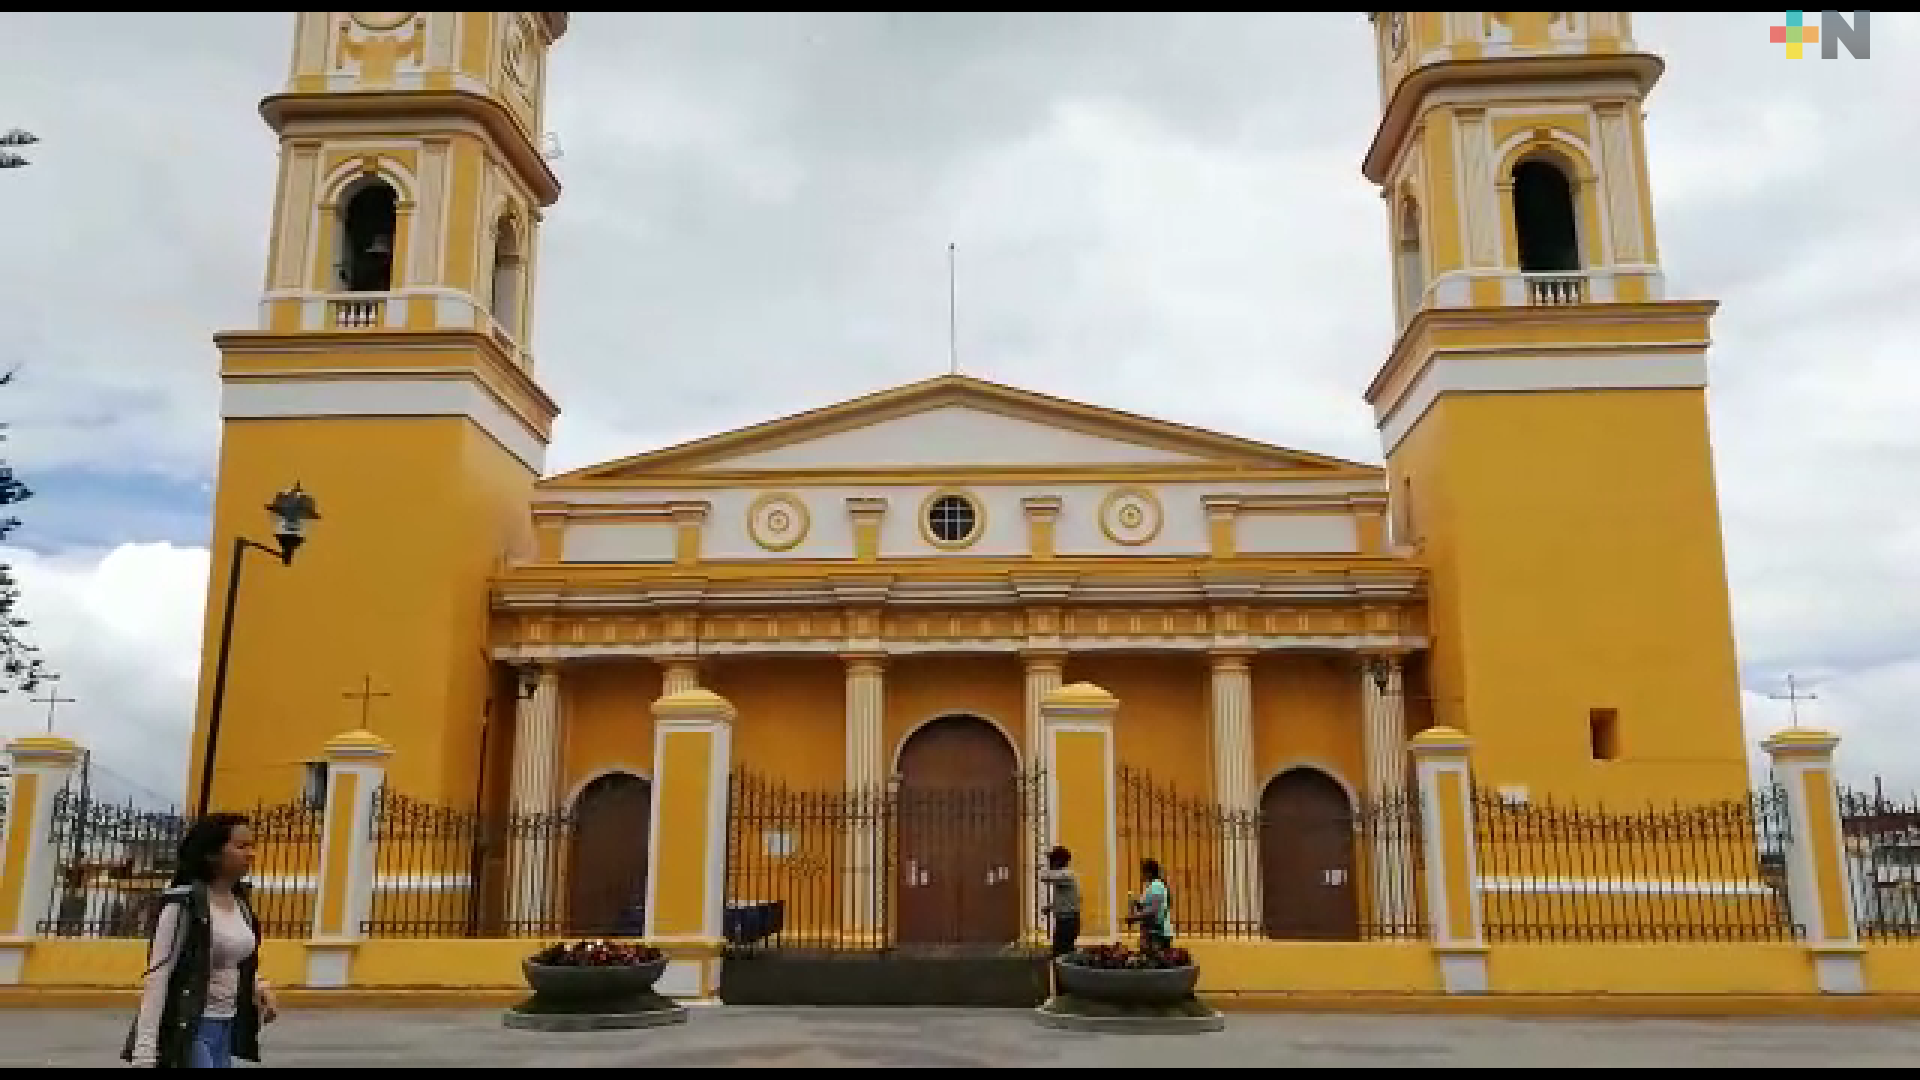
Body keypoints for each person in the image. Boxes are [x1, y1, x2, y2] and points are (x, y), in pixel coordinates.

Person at [123, 813, 278, 1068]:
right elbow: (159, 976)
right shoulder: (183, 905)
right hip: (191, 1029)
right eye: (241, 846)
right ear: (212, 854)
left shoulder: (241, 905)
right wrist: (144, 1054)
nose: (250, 854)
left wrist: (259, 986)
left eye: (252, 846)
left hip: (226, 1026)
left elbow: (238, 960)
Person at [1038, 846, 1081, 958]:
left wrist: (1045, 860)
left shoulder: (1066, 875)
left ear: (1057, 861)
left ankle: (1063, 974)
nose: (1051, 864)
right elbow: (1066, 898)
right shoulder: (1065, 875)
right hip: (1067, 920)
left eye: (1052, 860)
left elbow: (1044, 876)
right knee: (1063, 953)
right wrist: (1051, 907)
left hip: (1067, 922)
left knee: (1060, 954)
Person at [1125, 857, 1175, 952]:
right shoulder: (1154, 886)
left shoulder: (1156, 885)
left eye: (1142, 872)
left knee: (1153, 963)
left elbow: (1153, 910)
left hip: (1157, 934)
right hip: (1153, 932)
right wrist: (1136, 903)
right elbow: (1148, 907)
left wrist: (1134, 918)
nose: (1141, 875)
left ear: (1149, 873)